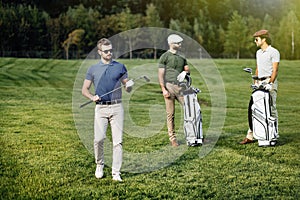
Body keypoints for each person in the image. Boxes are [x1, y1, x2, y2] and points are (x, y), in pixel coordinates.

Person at [82, 38, 134, 181]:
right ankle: (99, 164)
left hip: (117, 107)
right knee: (98, 139)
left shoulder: (120, 67)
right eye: (106, 51)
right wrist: (92, 97)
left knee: (118, 142)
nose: (109, 53)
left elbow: (127, 88)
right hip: (100, 108)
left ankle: (116, 172)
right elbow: (84, 89)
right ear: (99, 52)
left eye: (111, 50)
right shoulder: (93, 69)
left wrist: (129, 84)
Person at [240, 30, 280, 144]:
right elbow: (258, 68)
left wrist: (270, 83)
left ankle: (273, 135)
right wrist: (255, 81)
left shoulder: (273, 52)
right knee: (254, 108)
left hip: (269, 81)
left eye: (257, 39)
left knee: (271, 109)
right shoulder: (258, 53)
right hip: (259, 82)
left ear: (264, 39)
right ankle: (251, 136)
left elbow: (275, 70)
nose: (255, 41)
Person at [158, 34, 190, 147]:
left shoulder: (182, 56)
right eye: (177, 43)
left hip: (181, 87)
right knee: (170, 114)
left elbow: (187, 69)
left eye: (180, 43)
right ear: (171, 44)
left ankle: (191, 135)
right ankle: (173, 139)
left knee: (189, 111)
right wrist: (163, 89)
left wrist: (185, 72)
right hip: (169, 86)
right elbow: (161, 75)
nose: (180, 45)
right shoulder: (165, 57)